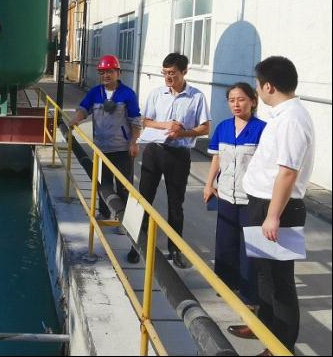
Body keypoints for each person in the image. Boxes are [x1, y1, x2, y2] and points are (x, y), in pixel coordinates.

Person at [228, 57, 314, 355]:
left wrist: (273, 216)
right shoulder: (281, 115)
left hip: (278, 209)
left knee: (280, 281)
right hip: (262, 204)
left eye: (257, 84)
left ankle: (281, 345)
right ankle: (264, 325)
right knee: (264, 274)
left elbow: (288, 172)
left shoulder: (292, 119)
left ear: (268, 86)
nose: (257, 89)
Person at [127, 53, 211, 268]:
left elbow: (205, 128)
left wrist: (182, 133)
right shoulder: (157, 94)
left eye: (172, 73)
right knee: (144, 199)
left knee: (176, 204)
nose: (168, 77)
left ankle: (175, 250)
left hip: (179, 155)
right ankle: (137, 245)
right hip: (154, 151)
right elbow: (146, 121)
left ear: (184, 72)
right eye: (165, 73)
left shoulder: (196, 97)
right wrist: (166, 125)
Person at [204, 82, 266, 310]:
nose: (236, 104)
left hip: (251, 199)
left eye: (241, 99)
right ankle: (225, 285)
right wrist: (209, 184)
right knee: (225, 243)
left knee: (249, 248)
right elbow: (217, 157)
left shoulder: (262, 129)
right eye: (232, 100)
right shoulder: (223, 127)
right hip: (225, 196)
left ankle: (249, 296)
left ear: (253, 101)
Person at [70, 55, 142, 222]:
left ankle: (125, 220)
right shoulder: (95, 92)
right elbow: (84, 108)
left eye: (110, 71)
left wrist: (134, 142)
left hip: (122, 149)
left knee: (124, 186)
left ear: (118, 72)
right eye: (102, 72)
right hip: (101, 149)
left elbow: (135, 120)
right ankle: (104, 213)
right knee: (103, 184)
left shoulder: (127, 94)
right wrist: (75, 120)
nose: (106, 75)